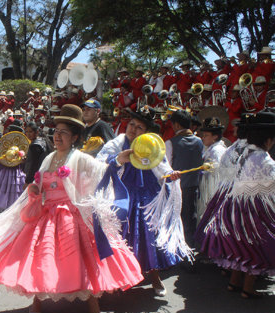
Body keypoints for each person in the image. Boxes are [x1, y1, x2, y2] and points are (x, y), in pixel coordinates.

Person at [0, 104, 143, 313]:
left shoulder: (80, 158)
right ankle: (38, 302)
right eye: (56, 131)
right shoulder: (49, 158)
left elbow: (102, 169)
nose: (57, 136)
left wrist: (119, 160)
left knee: (79, 264)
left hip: (70, 218)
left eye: (63, 132)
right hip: (46, 216)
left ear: (75, 136)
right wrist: (35, 190)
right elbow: (39, 184)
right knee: (40, 260)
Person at [97, 108, 191, 296]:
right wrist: (118, 159)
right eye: (132, 124)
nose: (133, 129)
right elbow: (101, 161)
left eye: (139, 127)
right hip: (121, 196)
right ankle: (117, 278)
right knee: (120, 235)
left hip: (147, 198)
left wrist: (171, 176)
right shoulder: (118, 143)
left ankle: (154, 278)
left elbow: (163, 169)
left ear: (146, 132)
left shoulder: (153, 146)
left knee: (149, 235)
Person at [197, 112, 275, 298]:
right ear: (268, 138)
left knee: (243, 245)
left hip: (233, 205)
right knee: (256, 246)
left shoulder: (240, 150)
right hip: (251, 209)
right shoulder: (263, 159)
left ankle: (234, 283)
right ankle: (247, 288)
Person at [165, 110, 203, 248]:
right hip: (193, 187)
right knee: (190, 219)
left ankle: (176, 250)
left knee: (175, 220)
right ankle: (190, 249)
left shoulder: (170, 143)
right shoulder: (199, 142)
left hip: (176, 188)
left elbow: (166, 167)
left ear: (175, 125)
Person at [196, 118, 227, 221]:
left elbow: (216, 175)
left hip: (212, 190)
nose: (203, 138)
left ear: (215, 136)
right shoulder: (210, 149)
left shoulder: (217, 151)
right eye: (203, 135)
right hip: (205, 187)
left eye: (206, 135)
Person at [23, 122, 51, 189]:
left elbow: (33, 166)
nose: (28, 134)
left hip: (36, 178)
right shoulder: (43, 141)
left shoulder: (35, 146)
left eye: (30, 132)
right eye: (26, 132)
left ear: (36, 132)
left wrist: (27, 182)